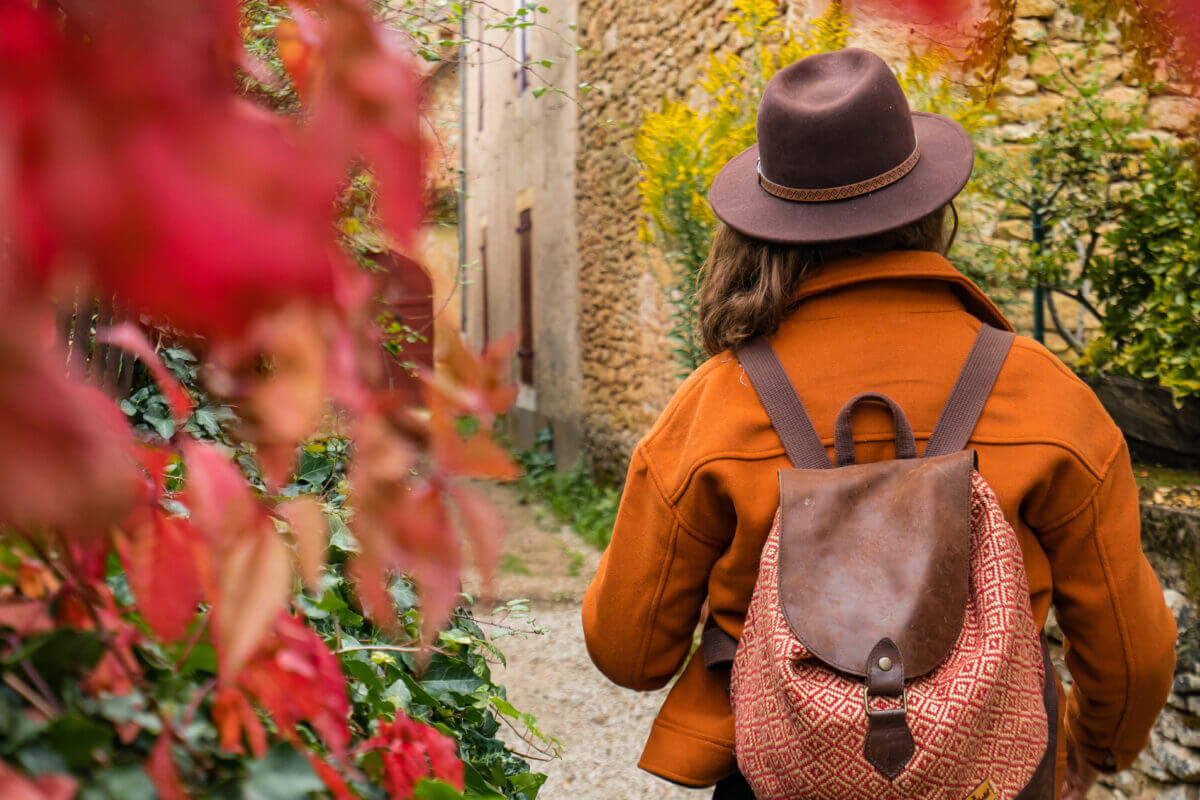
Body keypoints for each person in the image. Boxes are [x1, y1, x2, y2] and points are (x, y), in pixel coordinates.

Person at [582, 48, 1176, 800]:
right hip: (994, 776)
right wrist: (1092, 751)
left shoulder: (714, 405)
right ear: (931, 206)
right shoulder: (1046, 396)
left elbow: (627, 650)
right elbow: (1132, 656)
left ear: (766, 224)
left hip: (775, 778)